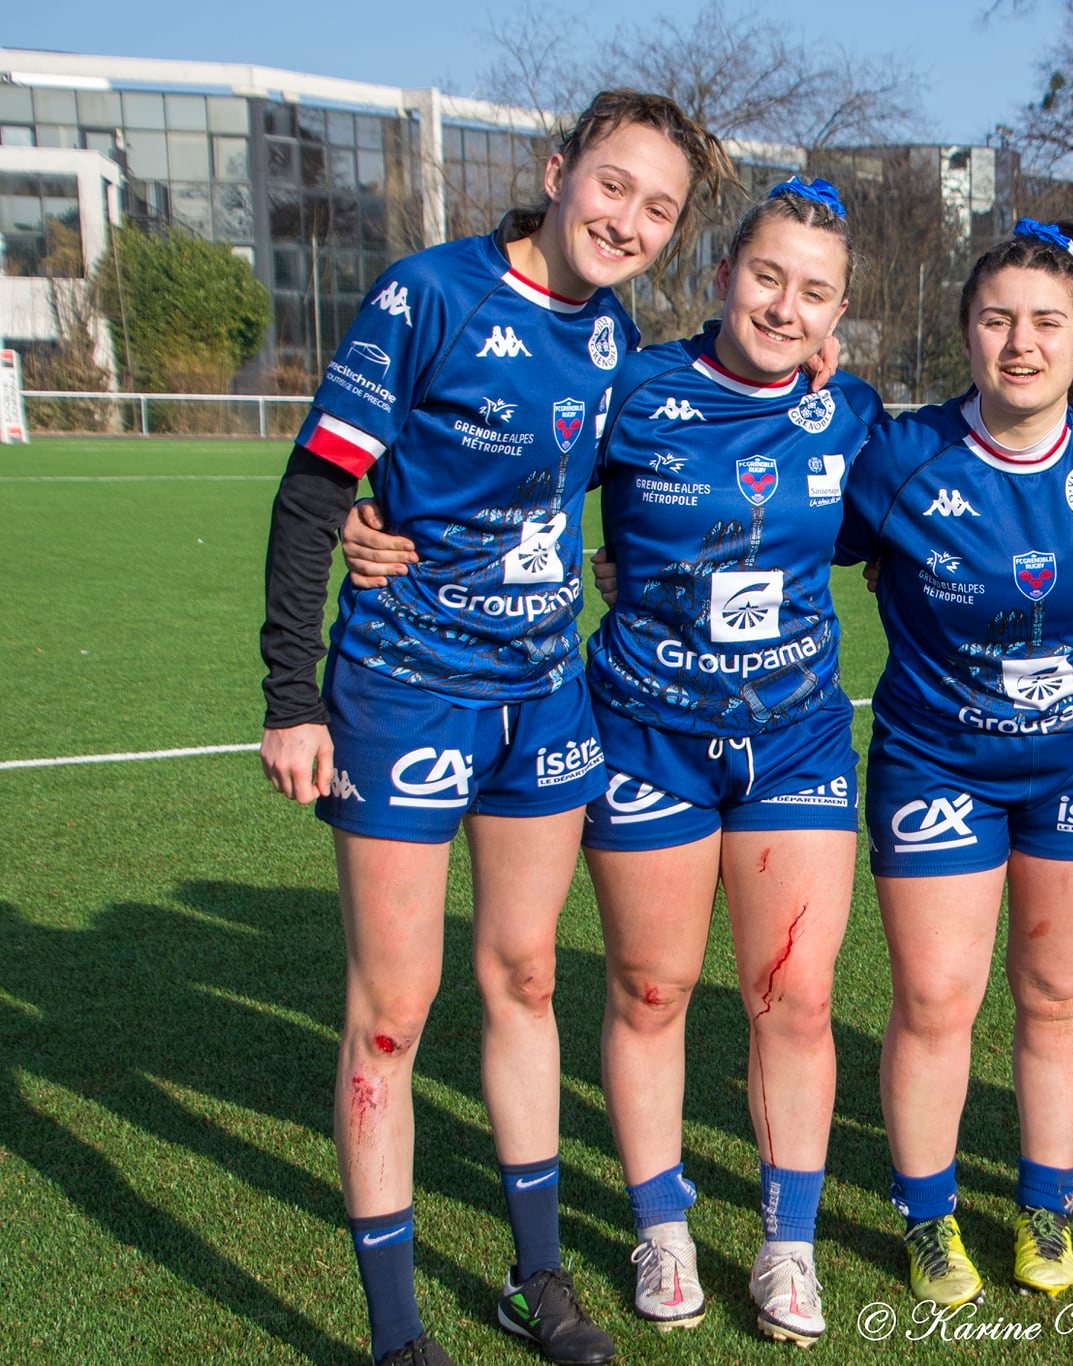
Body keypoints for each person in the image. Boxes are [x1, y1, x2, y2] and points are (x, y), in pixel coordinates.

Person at [339, 179, 877, 1347]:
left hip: (793, 736)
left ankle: (788, 1246)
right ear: (726, 271)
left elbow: (936, 510)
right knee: (650, 990)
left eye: (815, 292)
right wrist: (366, 515)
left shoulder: (855, 415)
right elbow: (501, 474)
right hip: (643, 731)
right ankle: (661, 1224)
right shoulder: (632, 386)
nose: (785, 307)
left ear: (840, 312)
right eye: (768, 276)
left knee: (795, 994)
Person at [258, 91, 727, 1366]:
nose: (626, 218)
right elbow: (316, 492)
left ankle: (534, 1276)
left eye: (658, 207)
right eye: (611, 184)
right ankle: (400, 1335)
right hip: (404, 687)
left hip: (545, 700)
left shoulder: (616, 332)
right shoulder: (430, 296)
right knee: (391, 1013)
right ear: (557, 167)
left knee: (524, 978)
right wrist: (290, 696)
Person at [838, 219, 1073, 1307]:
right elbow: (781, 529)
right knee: (936, 996)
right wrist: (627, 555)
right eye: (995, 320)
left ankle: (1043, 1206)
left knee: (1053, 992)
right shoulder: (897, 456)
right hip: (937, 762)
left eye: (1044, 322)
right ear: (966, 333)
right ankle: (929, 1219)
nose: (1018, 344)